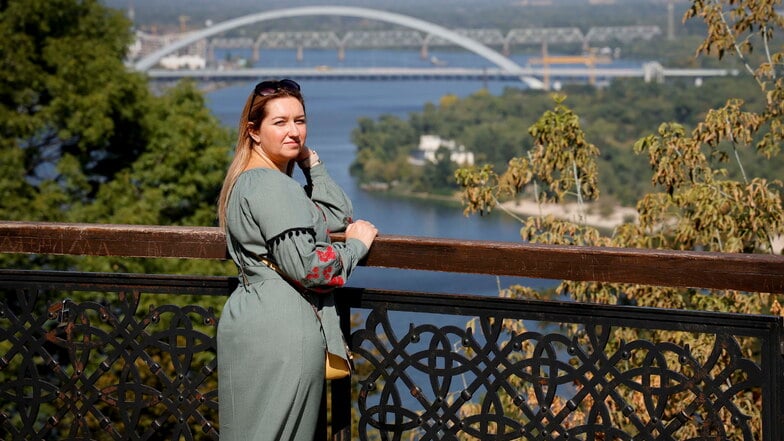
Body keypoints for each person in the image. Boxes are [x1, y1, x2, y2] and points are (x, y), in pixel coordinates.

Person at [216, 78, 378, 440]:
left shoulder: (248, 181)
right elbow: (312, 269)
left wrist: (311, 164)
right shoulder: (272, 186)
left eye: (300, 121)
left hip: (253, 320)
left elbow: (334, 215)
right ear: (253, 132)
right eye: (280, 122)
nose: (294, 132)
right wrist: (355, 247)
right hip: (284, 332)